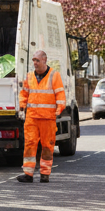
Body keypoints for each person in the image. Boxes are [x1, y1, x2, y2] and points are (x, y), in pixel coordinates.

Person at [18, 50, 66, 183]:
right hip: (32, 118)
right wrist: (22, 105)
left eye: (37, 60)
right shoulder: (29, 76)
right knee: (29, 145)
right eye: (33, 60)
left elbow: (60, 94)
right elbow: (24, 93)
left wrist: (60, 108)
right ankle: (28, 174)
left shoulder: (54, 75)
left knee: (47, 146)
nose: (35, 63)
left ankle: (45, 174)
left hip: (47, 118)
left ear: (44, 60)